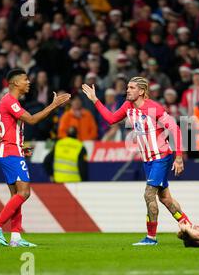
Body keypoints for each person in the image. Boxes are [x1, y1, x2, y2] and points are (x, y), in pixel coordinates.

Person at [81, 76, 191, 245]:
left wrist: (178, 158)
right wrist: (95, 100)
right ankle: (189, 227)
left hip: (161, 156)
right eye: (127, 87)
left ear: (141, 91)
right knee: (165, 198)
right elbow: (111, 119)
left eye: (132, 88)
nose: (127, 90)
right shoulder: (128, 106)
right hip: (147, 160)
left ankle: (151, 237)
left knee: (148, 194)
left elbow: (175, 129)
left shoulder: (154, 108)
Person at [0, 68, 70, 247]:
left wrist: (19, 146)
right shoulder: (10, 101)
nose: (28, 82)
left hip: (10, 150)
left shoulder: (8, 102)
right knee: (25, 192)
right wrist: (54, 105)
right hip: (10, 153)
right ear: (15, 83)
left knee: (16, 196)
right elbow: (32, 120)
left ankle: (16, 237)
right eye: (25, 79)